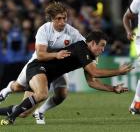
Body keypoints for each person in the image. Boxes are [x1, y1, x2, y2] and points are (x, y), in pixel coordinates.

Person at [0, 30, 133, 125]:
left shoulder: (91, 56)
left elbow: (92, 82)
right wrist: (118, 71)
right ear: (92, 43)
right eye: (102, 45)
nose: (103, 49)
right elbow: (95, 72)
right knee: (41, 94)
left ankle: (10, 113)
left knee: (25, 112)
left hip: (50, 75)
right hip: (38, 67)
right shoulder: (82, 48)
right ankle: (10, 118)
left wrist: (113, 88)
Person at [0, 1, 85, 124]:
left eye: (64, 18)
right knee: (18, 88)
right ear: (51, 19)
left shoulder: (72, 32)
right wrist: (57, 54)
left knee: (62, 95)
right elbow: (40, 55)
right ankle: (8, 88)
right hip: (38, 65)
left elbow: (85, 46)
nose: (62, 22)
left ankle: (40, 111)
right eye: (58, 19)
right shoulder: (44, 30)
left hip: (58, 68)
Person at [123, 0, 140, 114]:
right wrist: (129, 31)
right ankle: (136, 105)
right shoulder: (139, 0)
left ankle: (136, 104)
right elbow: (126, 17)